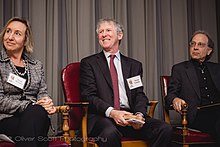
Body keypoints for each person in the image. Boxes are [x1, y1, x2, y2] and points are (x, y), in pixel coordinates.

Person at [80, 18, 172, 147]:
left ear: (120, 35)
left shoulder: (134, 65)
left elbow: (139, 94)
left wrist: (139, 115)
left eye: (108, 30)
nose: (104, 34)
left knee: (164, 129)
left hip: (130, 117)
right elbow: (88, 96)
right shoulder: (89, 63)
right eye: (101, 32)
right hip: (103, 117)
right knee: (110, 133)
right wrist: (113, 112)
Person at [0, 17, 56, 147]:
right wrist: (30, 105)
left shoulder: (36, 65)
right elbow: (1, 100)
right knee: (37, 130)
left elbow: (42, 93)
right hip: (7, 119)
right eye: (8, 31)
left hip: (36, 116)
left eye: (17, 33)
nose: (10, 37)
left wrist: (46, 102)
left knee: (36, 115)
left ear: (25, 40)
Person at [166, 30, 220, 144]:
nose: (195, 48)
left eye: (200, 45)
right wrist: (175, 99)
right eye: (193, 44)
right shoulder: (180, 69)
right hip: (197, 115)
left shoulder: (216, 69)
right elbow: (170, 95)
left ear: (209, 50)